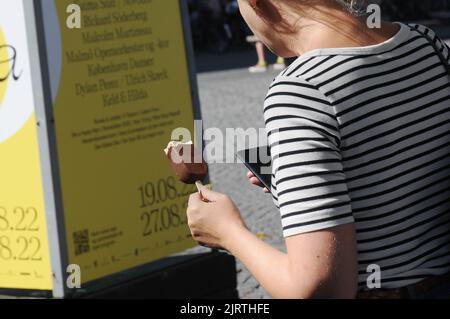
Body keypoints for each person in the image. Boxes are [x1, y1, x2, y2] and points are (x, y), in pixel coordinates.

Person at [187, 0, 450, 299]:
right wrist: (309, 189)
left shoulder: (301, 91)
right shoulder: (426, 42)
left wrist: (229, 232)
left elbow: (321, 289)